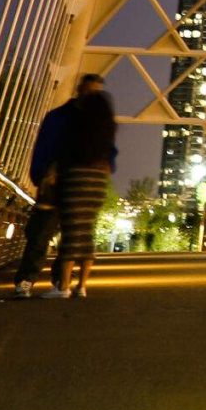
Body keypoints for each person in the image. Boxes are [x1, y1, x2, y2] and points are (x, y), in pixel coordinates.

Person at [50, 73, 117, 298]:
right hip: (98, 178)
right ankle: (82, 286)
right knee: (87, 230)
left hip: (76, 176)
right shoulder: (106, 129)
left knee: (70, 230)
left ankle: (63, 287)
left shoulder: (75, 124)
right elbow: (111, 154)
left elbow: (63, 149)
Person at [12, 92, 77, 298]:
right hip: (67, 186)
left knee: (40, 235)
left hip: (53, 185)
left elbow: (41, 149)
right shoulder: (77, 121)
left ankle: (27, 281)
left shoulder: (55, 118)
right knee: (65, 236)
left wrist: (38, 176)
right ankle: (60, 281)